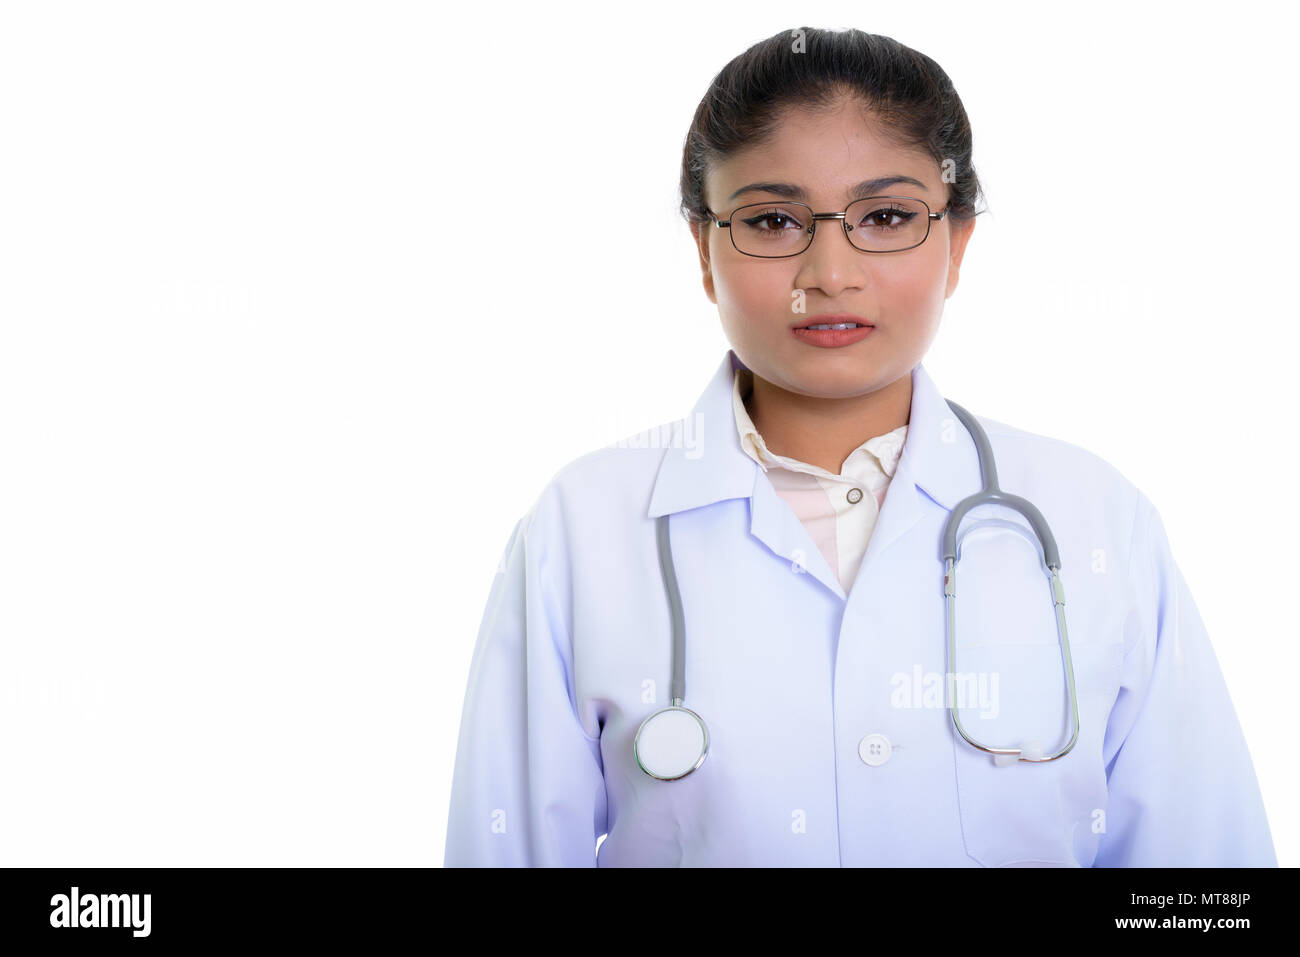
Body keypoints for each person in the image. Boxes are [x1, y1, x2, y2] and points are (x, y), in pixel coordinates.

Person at [442, 27, 1276, 867]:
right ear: (703, 249)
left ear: (957, 244)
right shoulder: (581, 530)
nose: (831, 270)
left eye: (886, 217)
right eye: (772, 219)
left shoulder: (1094, 518)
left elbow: (1202, 880)